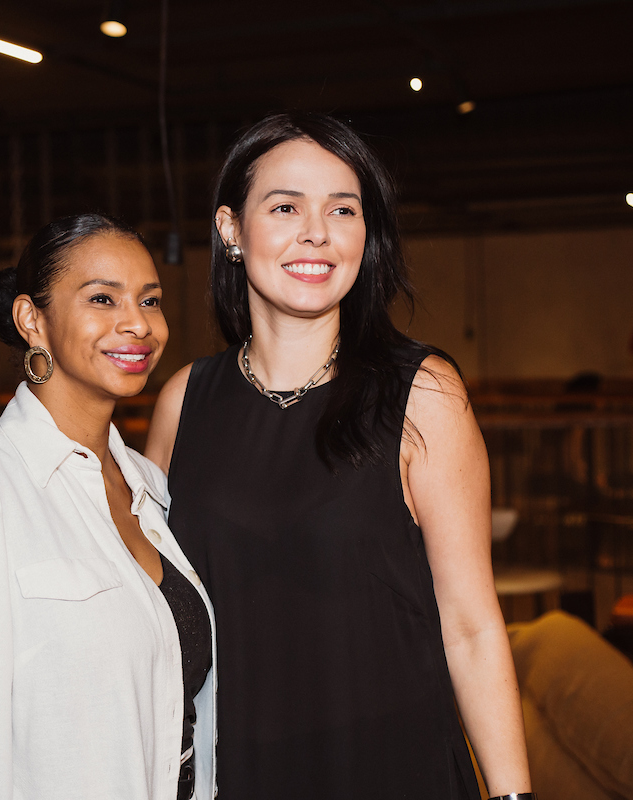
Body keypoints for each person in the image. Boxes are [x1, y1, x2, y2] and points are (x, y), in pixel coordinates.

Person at [146, 112, 532, 800]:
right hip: (233, 769)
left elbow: (470, 627)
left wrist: (512, 795)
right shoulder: (184, 403)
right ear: (231, 229)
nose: (316, 232)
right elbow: (154, 618)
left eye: (342, 209)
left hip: (391, 766)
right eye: (286, 205)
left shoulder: (423, 395)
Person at [0, 213, 217, 800]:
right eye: (103, 298)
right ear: (31, 320)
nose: (137, 324)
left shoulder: (148, 485)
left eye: (150, 301)